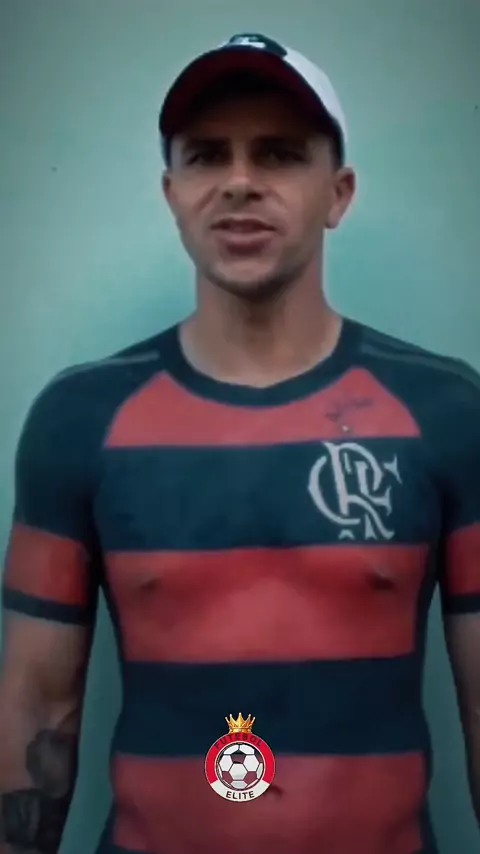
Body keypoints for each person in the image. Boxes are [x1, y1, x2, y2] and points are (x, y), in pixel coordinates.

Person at [0, 30, 479, 854]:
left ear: (339, 193)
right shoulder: (79, 420)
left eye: (279, 154)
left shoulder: (447, 412)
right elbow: (34, 709)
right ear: (173, 193)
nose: (239, 182)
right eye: (207, 156)